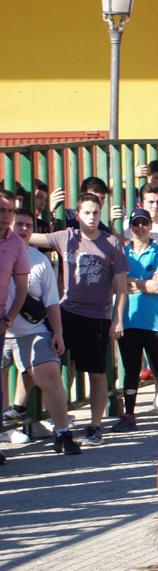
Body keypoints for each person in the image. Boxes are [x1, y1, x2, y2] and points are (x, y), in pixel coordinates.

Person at [31, 194, 128, 446]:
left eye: (96, 212)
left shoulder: (111, 243)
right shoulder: (67, 236)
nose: (92, 217)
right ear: (77, 214)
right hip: (67, 312)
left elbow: (121, 287)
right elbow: (29, 236)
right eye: (87, 213)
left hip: (97, 316)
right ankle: (56, 421)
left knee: (96, 372)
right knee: (62, 366)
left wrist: (117, 320)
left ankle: (95, 425)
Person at [3, 209, 78, 455]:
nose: (23, 229)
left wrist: (58, 333)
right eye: (19, 224)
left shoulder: (40, 260)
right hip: (2, 332)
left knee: (51, 374)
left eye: (28, 225)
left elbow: (52, 302)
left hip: (30, 331)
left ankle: (62, 433)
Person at [116, 208, 158, 431]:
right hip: (128, 319)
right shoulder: (122, 253)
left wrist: (134, 283)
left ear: (150, 226)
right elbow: (117, 283)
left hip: (156, 322)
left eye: (144, 223)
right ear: (130, 227)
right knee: (130, 371)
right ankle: (129, 415)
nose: (140, 228)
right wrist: (145, 283)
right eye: (135, 224)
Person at [0, 195, 31, 463]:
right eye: (1, 210)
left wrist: (8, 318)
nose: (4, 215)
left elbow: (21, 287)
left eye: (8, 211)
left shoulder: (16, 245)